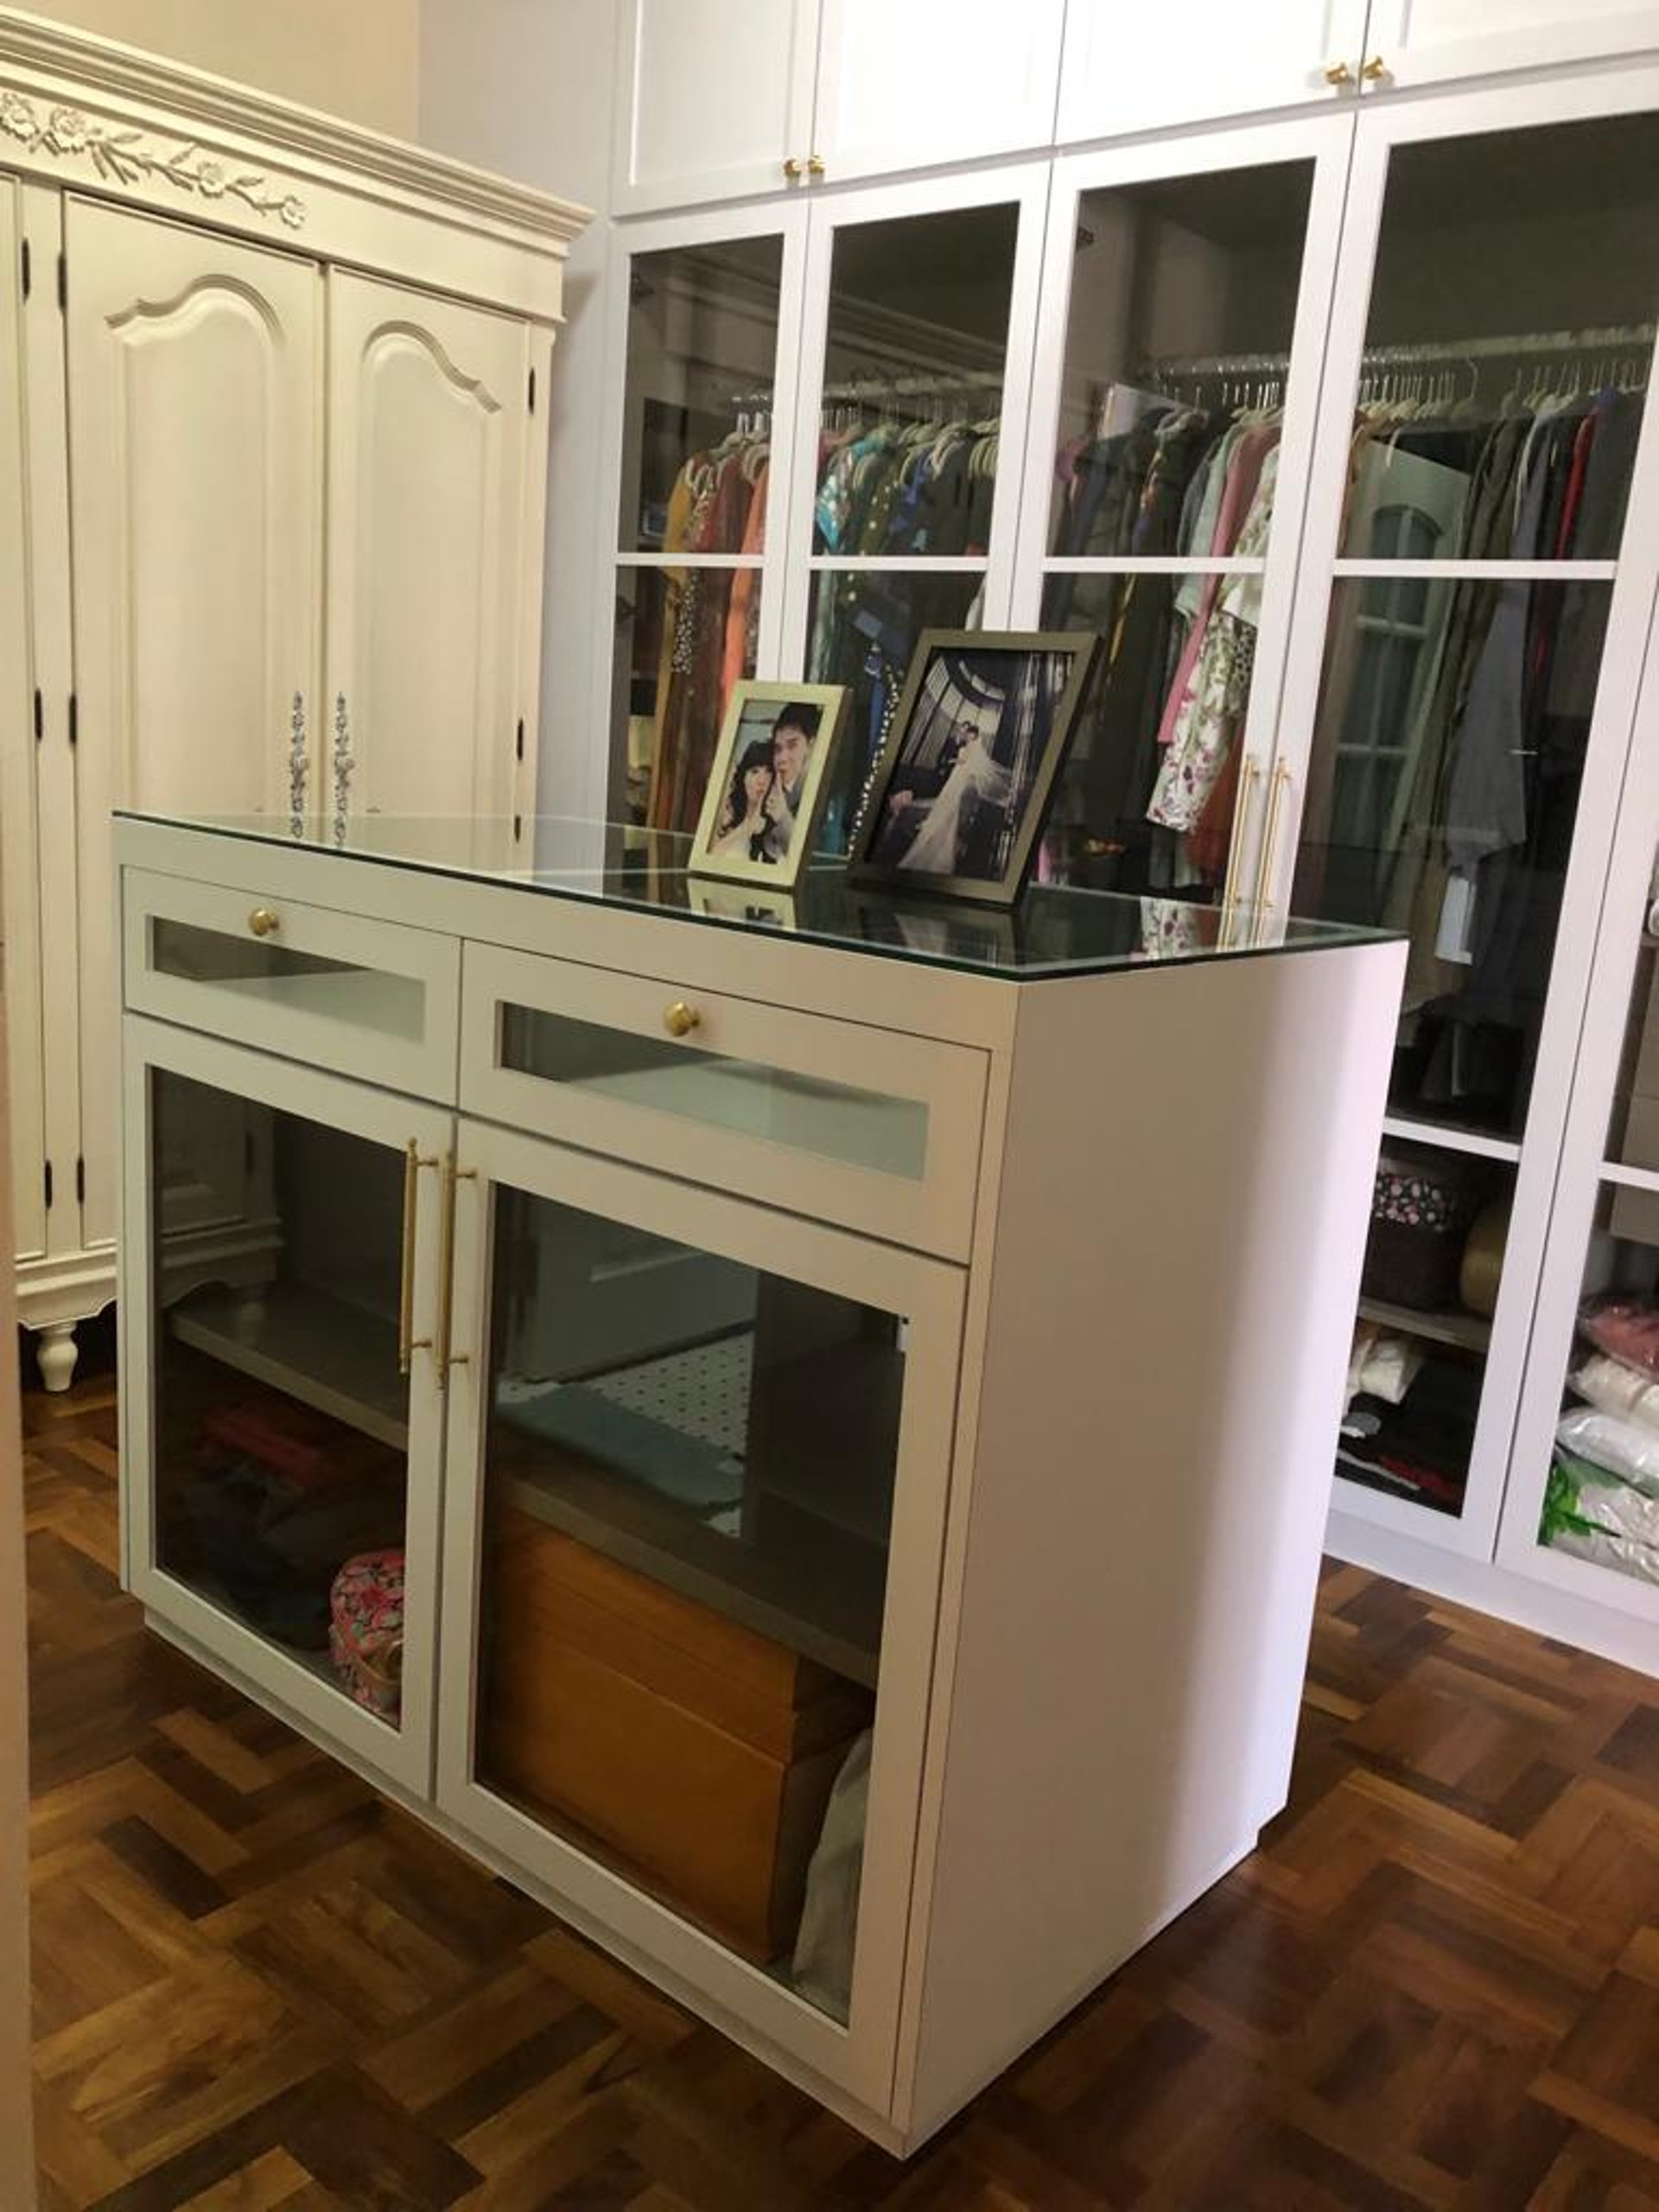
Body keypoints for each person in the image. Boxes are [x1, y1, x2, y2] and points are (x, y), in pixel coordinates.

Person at [760, 702, 821, 862]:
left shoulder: (821, 796)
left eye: (792, 746)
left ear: (811, 746)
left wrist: (782, 817)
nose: (782, 758)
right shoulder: (764, 789)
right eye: (778, 749)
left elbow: (806, 860)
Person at [709, 739, 779, 862]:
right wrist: (747, 827)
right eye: (754, 772)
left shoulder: (774, 827)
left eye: (768, 772)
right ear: (743, 777)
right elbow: (710, 858)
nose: (761, 780)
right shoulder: (726, 814)